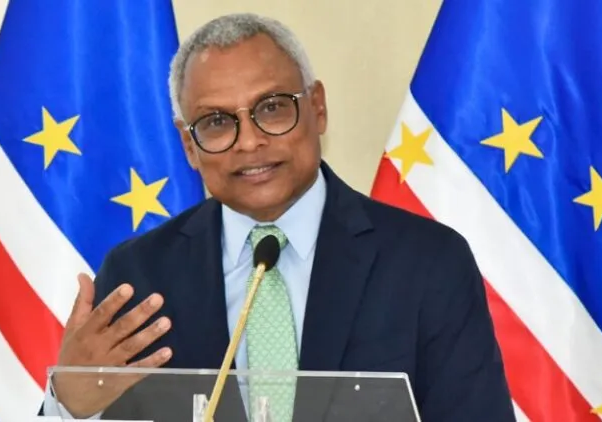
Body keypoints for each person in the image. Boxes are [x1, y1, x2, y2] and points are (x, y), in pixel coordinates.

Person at [41, 12, 516, 421]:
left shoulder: (427, 263)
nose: (249, 142)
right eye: (217, 122)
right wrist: (70, 405)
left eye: (271, 109)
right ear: (188, 145)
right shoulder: (140, 277)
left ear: (318, 108)